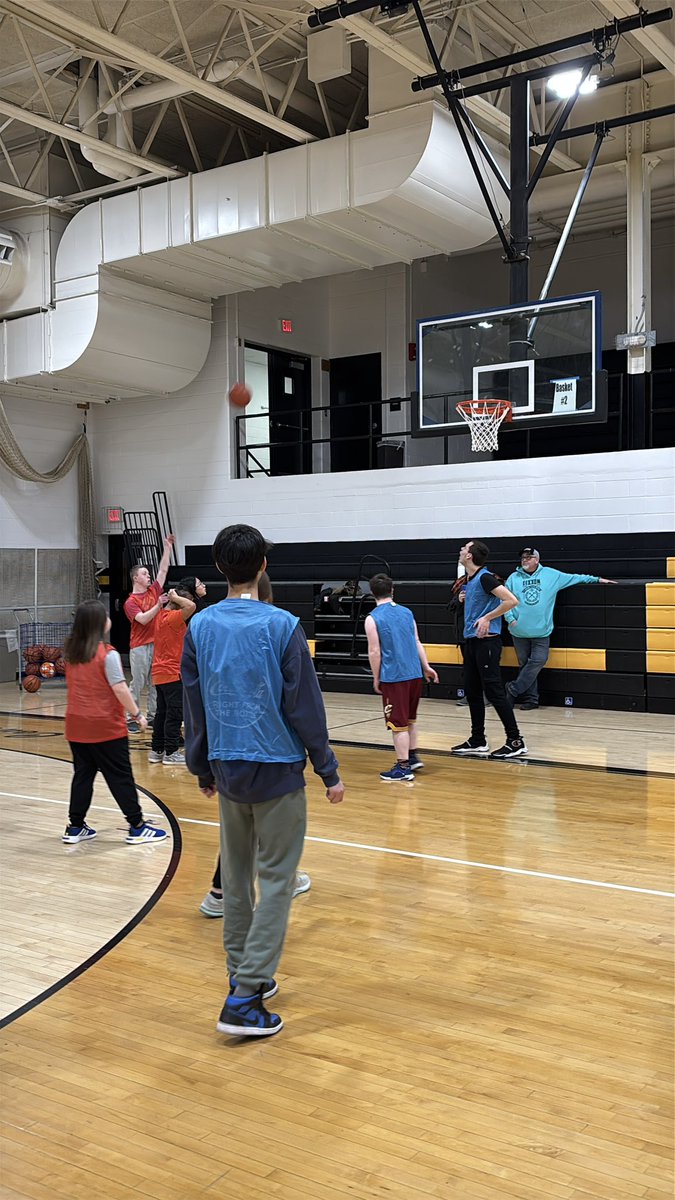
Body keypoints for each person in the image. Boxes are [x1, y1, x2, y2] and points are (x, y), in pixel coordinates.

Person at [182, 525, 345, 1038]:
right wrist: (327, 769)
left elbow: (194, 703)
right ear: (264, 566)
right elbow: (305, 707)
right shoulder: (283, 625)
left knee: (235, 879)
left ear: (219, 566)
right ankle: (245, 997)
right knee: (276, 881)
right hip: (276, 770)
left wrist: (200, 765)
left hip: (227, 769)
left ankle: (243, 975)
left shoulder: (199, 625)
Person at [198, 571, 313, 917]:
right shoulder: (273, 628)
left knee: (248, 824)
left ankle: (224, 892)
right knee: (260, 821)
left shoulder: (217, 630)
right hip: (264, 747)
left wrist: (202, 763)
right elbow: (299, 703)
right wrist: (324, 763)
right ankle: (230, 891)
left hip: (229, 747)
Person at [62, 600, 168, 845]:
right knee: (120, 777)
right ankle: (137, 826)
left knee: (82, 776)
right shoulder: (107, 654)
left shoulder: (71, 653)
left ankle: (75, 826)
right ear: (100, 623)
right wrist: (137, 715)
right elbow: (120, 689)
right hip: (104, 727)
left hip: (76, 725)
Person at [504, 547, 617, 710]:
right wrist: (510, 619)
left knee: (538, 661)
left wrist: (597, 579)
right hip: (518, 631)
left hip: (541, 631)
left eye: (528, 557)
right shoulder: (513, 578)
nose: (525, 560)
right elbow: (504, 600)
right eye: (523, 558)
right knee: (525, 666)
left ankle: (513, 689)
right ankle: (532, 700)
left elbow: (575, 578)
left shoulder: (551, 575)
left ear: (537, 560)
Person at [452, 540, 528, 760]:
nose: (461, 551)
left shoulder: (485, 577)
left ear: (470, 556)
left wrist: (487, 617)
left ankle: (515, 741)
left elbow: (511, 600)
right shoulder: (469, 580)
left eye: (464, 548)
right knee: (472, 691)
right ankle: (478, 739)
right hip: (471, 642)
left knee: (494, 692)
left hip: (487, 643)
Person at [364, 574, 439, 782]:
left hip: (394, 676)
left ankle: (403, 767)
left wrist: (376, 677)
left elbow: (374, 652)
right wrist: (426, 667)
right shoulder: (407, 612)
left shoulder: (372, 618)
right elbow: (417, 641)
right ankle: (412, 756)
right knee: (410, 720)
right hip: (414, 674)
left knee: (398, 724)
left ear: (372, 593)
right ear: (392, 590)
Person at [123, 534, 175, 731]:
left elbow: (163, 570)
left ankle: (153, 716)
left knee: (155, 682)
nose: (149, 576)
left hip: (157, 644)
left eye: (148, 574)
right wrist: (159, 606)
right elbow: (143, 619)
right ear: (135, 578)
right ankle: (131, 718)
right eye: (145, 574)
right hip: (140, 646)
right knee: (138, 683)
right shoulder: (131, 602)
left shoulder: (153, 591)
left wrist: (167, 547)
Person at [149, 586, 196, 765]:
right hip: (172, 673)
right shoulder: (173, 618)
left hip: (160, 673)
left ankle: (157, 750)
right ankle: (171, 752)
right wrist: (175, 597)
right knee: (174, 715)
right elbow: (191, 606)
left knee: (161, 714)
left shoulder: (160, 616)